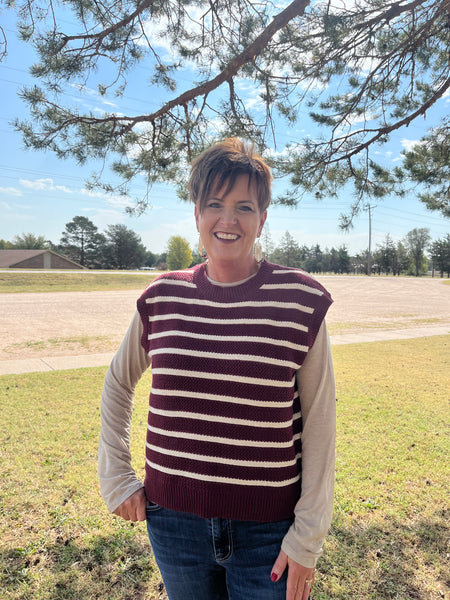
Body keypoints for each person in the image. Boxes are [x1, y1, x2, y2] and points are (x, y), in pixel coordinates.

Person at [99, 138, 336, 600]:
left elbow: (321, 423)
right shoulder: (160, 298)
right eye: (215, 205)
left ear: (262, 219)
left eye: (244, 207)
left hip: (268, 532)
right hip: (173, 523)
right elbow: (117, 382)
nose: (228, 220)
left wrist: (308, 536)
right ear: (196, 214)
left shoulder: (301, 300)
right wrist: (116, 476)